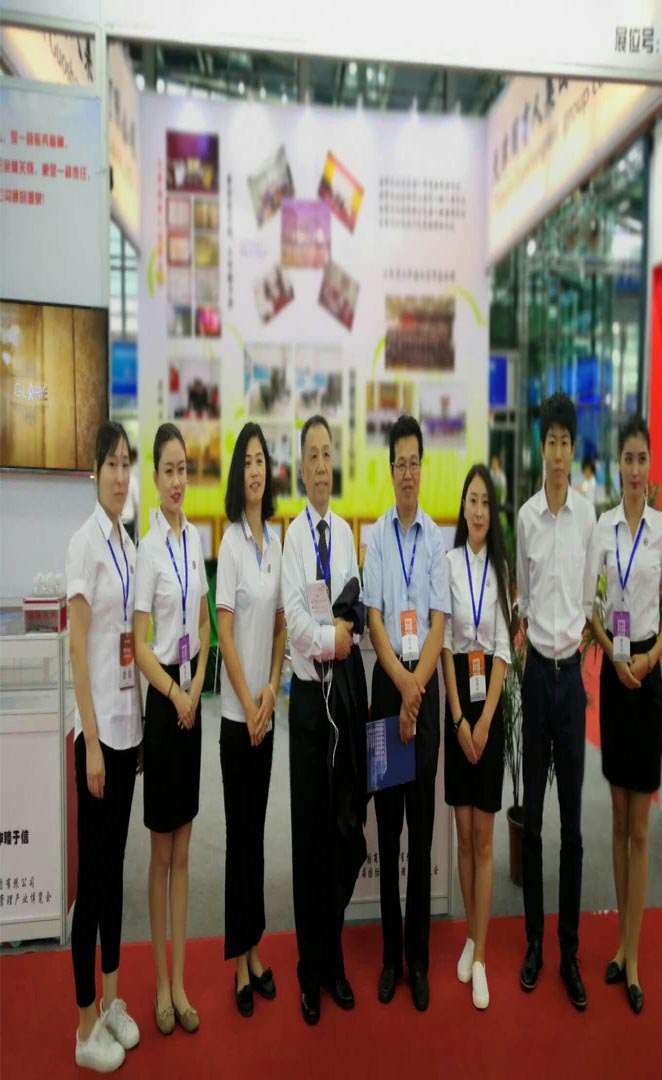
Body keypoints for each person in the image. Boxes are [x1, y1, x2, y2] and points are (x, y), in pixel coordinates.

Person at [363, 414, 450, 1012]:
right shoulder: (376, 536)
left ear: (423, 467)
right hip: (388, 686)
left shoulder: (436, 539)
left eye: (416, 462)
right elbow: (373, 618)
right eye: (401, 463)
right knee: (388, 828)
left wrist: (418, 687)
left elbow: (439, 621)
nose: (409, 473)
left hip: (425, 683)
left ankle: (418, 959)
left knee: (421, 833)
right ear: (390, 468)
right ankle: (391, 957)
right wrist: (401, 684)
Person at [282, 415, 367, 1026]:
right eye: (311, 455)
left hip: (344, 703)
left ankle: (335, 960)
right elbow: (296, 623)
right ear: (300, 467)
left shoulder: (344, 533)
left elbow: (353, 611)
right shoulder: (293, 538)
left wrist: (341, 633)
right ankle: (308, 969)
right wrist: (331, 641)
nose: (320, 465)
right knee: (308, 837)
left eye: (327, 453)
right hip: (310, 707)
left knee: (342, 833)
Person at [590, 416, 662, 1014]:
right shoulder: (603, 528)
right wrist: (612, 653)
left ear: (650, 465)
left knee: (641, 826)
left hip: (646, 678)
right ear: (617, 464)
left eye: (643, 459)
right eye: (628, 458)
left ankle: (635, 954)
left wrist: (647, 660)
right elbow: (591, 608)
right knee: (617, 818)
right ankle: (620, 944)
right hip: (614, 675)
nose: (636, 469)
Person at [516, 392, 596, 1010]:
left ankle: (569, 951)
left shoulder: (589, 518)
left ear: (573, 448)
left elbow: (589, 599)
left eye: (567, 442)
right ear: (541, 449)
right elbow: (522, 593)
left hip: (572, 683)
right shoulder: (525, 518)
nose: (560, 452)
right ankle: (535, 944)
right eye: (551, 442)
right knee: (535, 822)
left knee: (572, 827)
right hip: (536, 677)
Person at [66, 421, 142, 1072]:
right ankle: (85, 1022)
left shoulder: (127, 544)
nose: (120, 475)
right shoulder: (84, 543)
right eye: (110, 464)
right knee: (89, 884)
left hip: (126, 731)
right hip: (95, 737)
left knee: (115, 874)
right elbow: (77, 648)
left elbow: (130, 646)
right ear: (95, 471)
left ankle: (113, 998)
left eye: (126, 464)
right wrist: (90, 743)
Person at [133, 422, 210, 1036]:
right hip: (164, 709)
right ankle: (160, 983)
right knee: (160, 854)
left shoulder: (195, 540)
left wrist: (198, 684)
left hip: (191, 705)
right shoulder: (148, 549)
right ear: (154, 477)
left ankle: (181, 983)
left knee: (185, 851)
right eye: (169, 471)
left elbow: (204, 627)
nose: (178, 480)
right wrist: (175, 693)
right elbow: (140, 643)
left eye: (184, 469)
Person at [216, 423, 286, 1018]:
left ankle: (256, 948)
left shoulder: (277, 540)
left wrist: (271, 691)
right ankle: (238, 961)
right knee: (239, 840)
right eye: (248, 461)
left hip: (265, 710)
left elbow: (281, 626)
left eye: (261, 460)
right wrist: (247, 701)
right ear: (239, 474)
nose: (256, 470)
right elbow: (224, 633)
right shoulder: (231, 544)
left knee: (257, 837)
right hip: (237, 722)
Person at [441, 464, 511, 1010]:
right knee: (463, 835)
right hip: (457, 700)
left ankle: (482, 956)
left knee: (485, 837)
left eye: (486, 501)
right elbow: (444, 646)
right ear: (463, 508)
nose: (479, 510)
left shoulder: (500, 568)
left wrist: (484, 721)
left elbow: (505, 649)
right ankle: (470, 933)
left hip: (489, 700)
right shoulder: (449, 564)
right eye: (472, 500)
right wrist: (459, 719)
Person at [121, 446, 140, 544]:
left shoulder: (120, 478)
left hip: (121, 521)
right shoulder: (132, 479)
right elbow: (136, 506)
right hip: (128, 521)